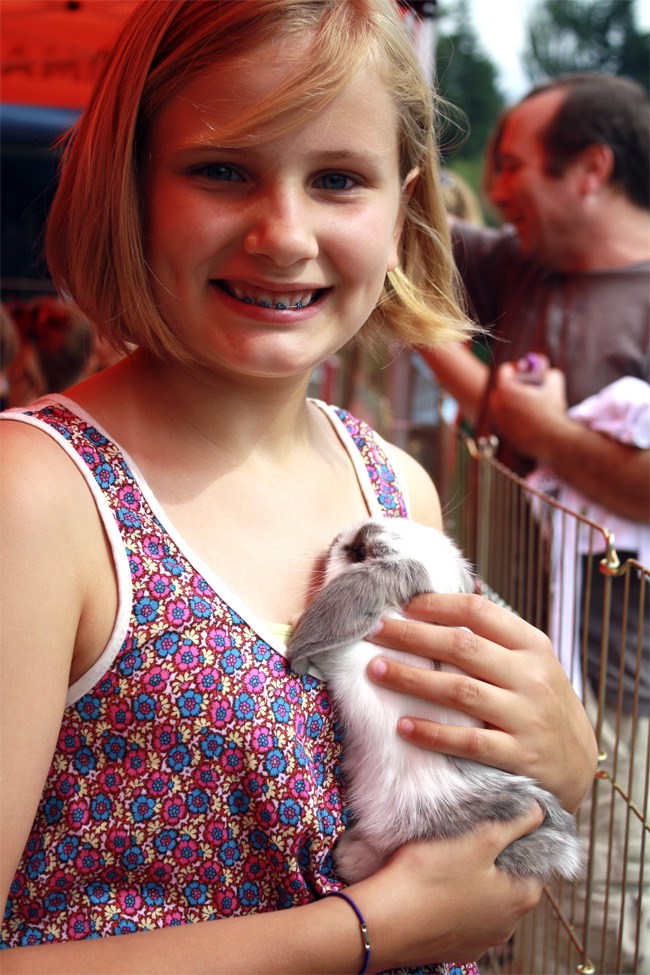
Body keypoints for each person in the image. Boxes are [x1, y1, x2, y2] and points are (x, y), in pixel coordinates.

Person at [0, 4, 597, 972]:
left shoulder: (394, 489)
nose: (283, 235)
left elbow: (441, 810)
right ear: (129, 185)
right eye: (221, 170)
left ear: (400, 207)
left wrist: (561, 761)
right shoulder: (35, 496)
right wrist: (365, 932)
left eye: (337, 180)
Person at [420, 73, 649, 973]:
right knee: (521, 907)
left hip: (621, 700)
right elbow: (403, 222)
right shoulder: (519, 263)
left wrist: (539, 428)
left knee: (597, 922)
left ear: (590, 168)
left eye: (513, 165)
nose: (494, 186)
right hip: (510, 672)